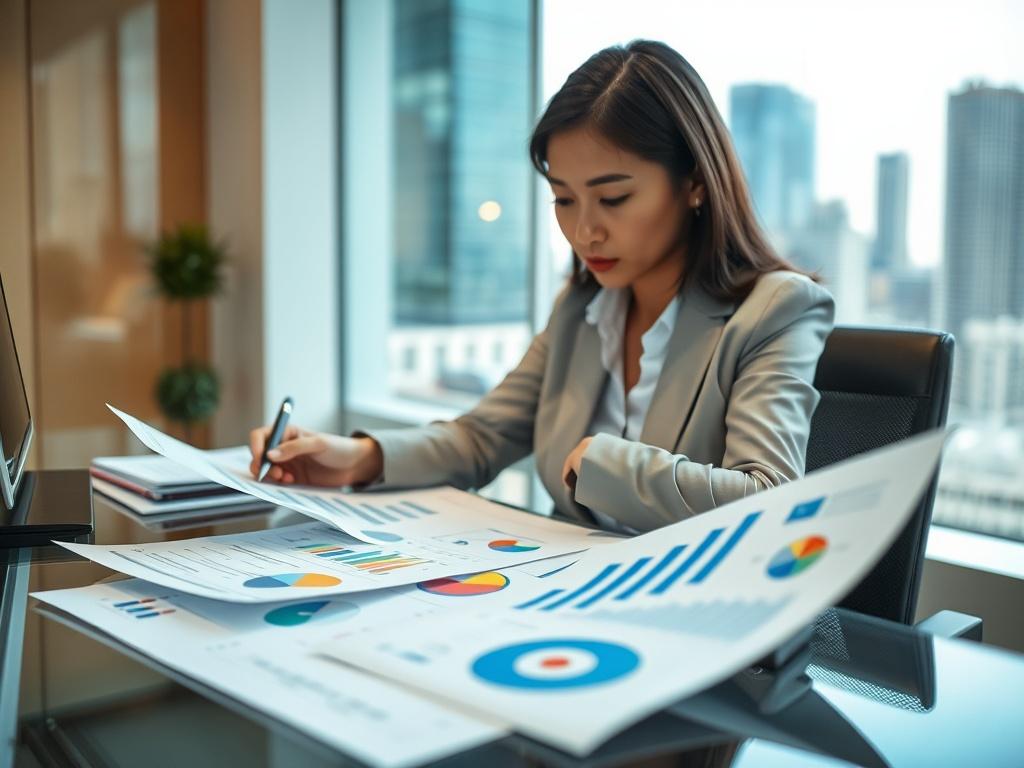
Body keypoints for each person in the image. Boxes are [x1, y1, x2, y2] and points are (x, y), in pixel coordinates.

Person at [249, 40, 835, 533]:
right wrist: (359, 458)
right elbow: (481, 439)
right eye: (563, 199)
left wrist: (608, 465)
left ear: (695, 184)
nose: (584, 230)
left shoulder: (775, 310)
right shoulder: (583, 308)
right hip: (561, 605)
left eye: (613, 198)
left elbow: (771, 503)